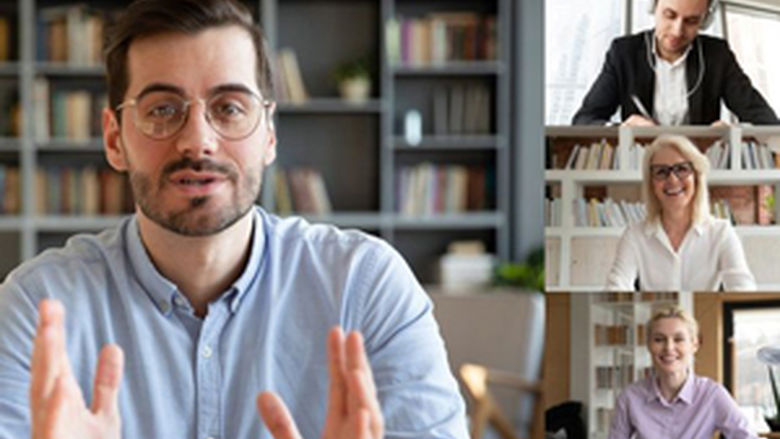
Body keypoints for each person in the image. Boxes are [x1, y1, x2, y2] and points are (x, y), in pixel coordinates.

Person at [0, 1, 469, 438]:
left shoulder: (365, 286)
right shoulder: (37, 306)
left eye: (229, 108)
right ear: (114, 139)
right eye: (163, 110)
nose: (198, 141)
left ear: (269, 134)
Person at [572, 0, 778, 126]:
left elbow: (766, 121)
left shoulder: (717, 55)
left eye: (691, 21)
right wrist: (622, 129)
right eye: (669, 15)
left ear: (705, 20)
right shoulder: (624, 53)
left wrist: (732, 135)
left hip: (698, 169)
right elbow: (584, 120)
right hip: (639, 167)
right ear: (654, 6)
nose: (677, 31)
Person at [606, 134, 755, 291]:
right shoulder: (634, 235)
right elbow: (616, 285)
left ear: (696, 177)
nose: (672, 180)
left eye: (682, 169)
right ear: (651, 184)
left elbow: (743, 287)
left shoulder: (722, 233)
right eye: (661, 172)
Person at [608, 306, 758, 439]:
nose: (668, 348)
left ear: (694, 344)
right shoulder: (630, 397)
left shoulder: (712, 394)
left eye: (678, 339)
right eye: (659, 339)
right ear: (648, 345)